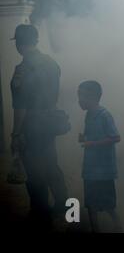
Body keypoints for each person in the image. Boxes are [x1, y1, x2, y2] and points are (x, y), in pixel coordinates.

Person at [9, 24, 68, 228]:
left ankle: (40, 214)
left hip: (31, 125)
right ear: (35, 40)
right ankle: (62, 207)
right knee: (51, 164)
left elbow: (20, 106)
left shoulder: (22, 70)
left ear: (19, 43)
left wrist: (15, 134)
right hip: (49, 122)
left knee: (34, 172)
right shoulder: (52, 63)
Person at [78, 80, 122, 232]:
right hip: (90, 170)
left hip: (103, 171)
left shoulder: (104, 115)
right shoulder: (88, 115)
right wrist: (84, 138)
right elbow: (92, 137)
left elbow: (116, 137)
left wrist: (92, 144)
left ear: (93, 97)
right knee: (91, 204)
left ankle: (119, 227)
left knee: (108, 204)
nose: (79, 100)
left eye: (81, 96)